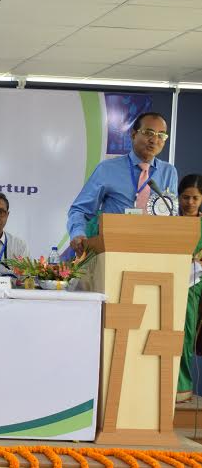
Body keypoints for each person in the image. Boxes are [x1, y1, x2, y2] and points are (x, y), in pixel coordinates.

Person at [68, 112, 179, 254]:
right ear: (133, 134)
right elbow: (80, 210)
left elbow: (172, 216)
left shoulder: (169, 172)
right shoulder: (107, 169)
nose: (154, 140)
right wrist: (78, 233)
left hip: (155, 250)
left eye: (161, 135)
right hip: (113, 249)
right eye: (148, 133)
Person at [178, 174, 202, 402]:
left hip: (194, 287)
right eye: (185, 197)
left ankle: (182, 386)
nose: (190, 203)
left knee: (186, 335)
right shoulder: (169, 222)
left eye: (195, 198)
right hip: (169, 282)